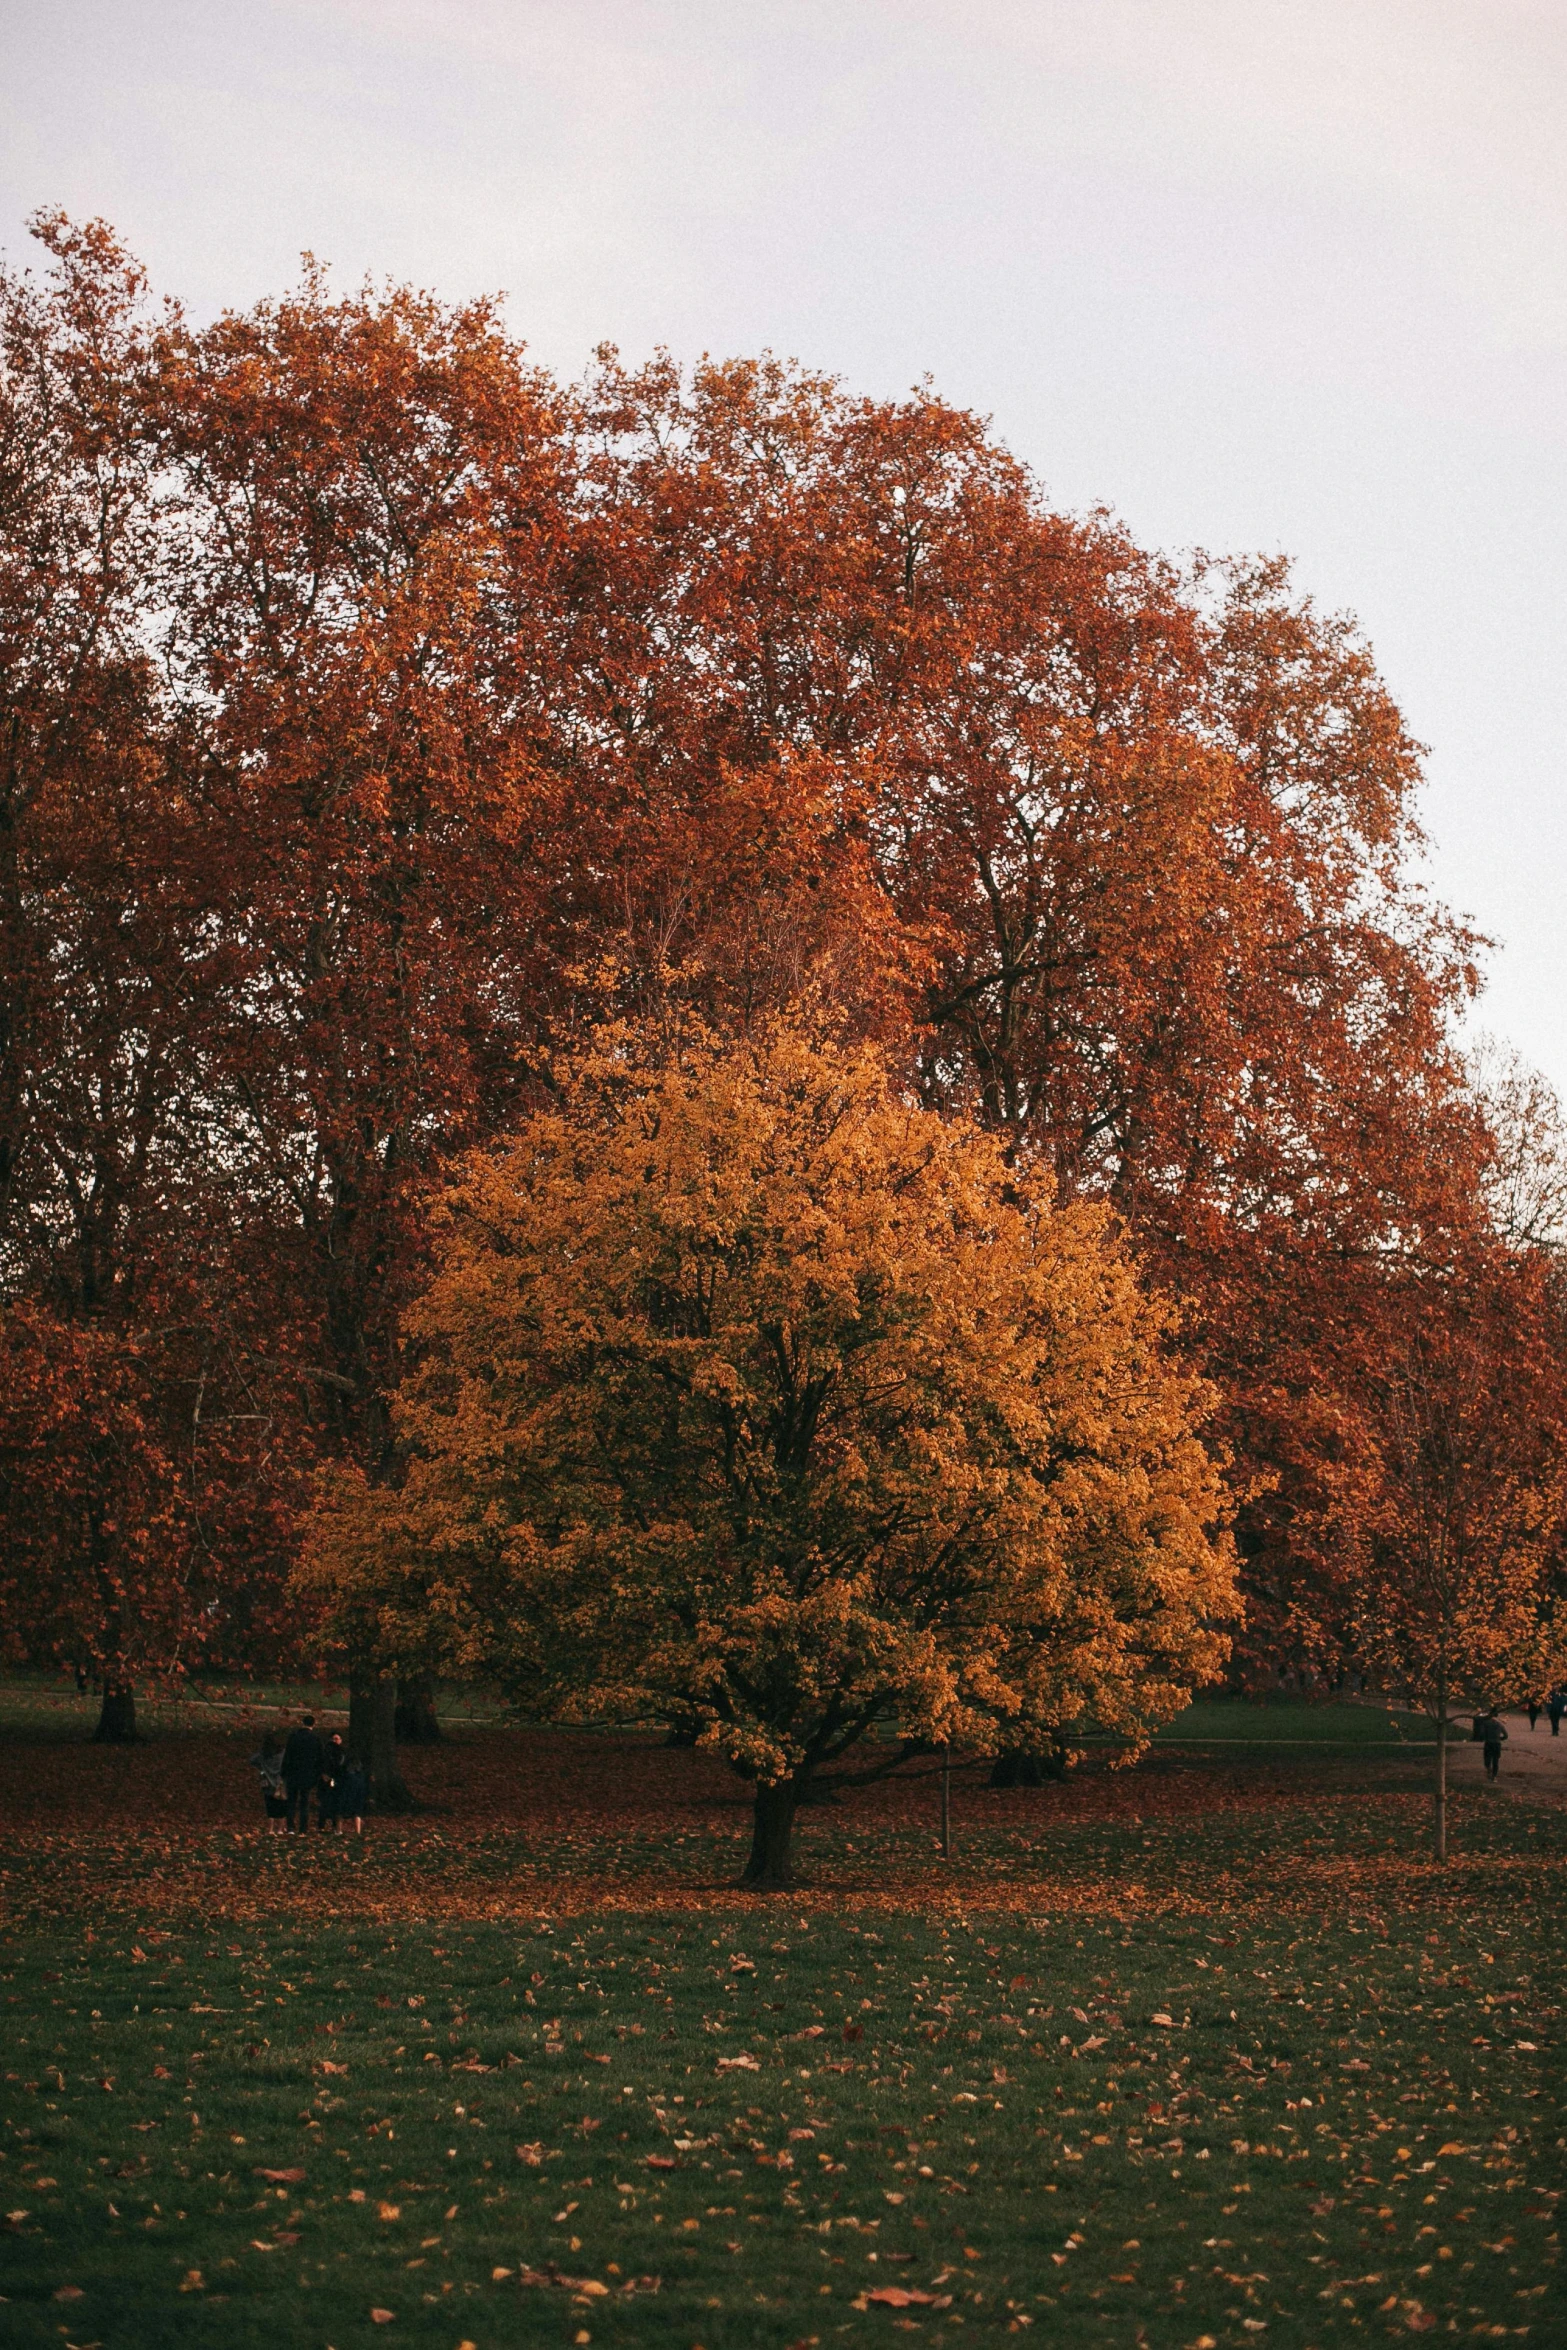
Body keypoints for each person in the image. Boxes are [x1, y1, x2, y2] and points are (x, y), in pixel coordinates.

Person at [281, 1712, 324, 1834]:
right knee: (304, 1801)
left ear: (302, 1723)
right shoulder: (315, 1739)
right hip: (308, 1774)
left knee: (291, 1801)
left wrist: (284, 1773)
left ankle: (290, 1827)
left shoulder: (293, 1737)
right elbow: (320, 1758)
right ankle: (303, 1828)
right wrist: (317, 1774)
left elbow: (287, 1755)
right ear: (313, 1724)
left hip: (293, 1773)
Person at [249, 1730, 287, 1836]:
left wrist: (261, 1768)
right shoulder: (282, 1753)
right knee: (282, 1806)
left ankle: (270, 1829)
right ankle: (280, 1829)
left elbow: (252, 1760)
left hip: (267, 1782)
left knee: (270, 1806)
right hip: (280, 1782)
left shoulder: (263, 1754)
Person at [317, 1731, 345, 1832]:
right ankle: (322, 1825)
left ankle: (335, 1826)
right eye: (333, 1739)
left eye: (337, 1739)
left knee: (335, 1804)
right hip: (326, 1781)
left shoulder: (342, 1752)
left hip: (336, 1780)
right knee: (324, 1803)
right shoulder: (326, 1752)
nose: (335, 1741)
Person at [339, 1755, 369, 1835]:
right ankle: (357, 1832)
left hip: (346, 1797)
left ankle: (339, 1830)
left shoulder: (346, 1776)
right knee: (357, 1814)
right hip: (358, 1798)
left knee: (340, 1814)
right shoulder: (361, 1776)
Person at [1476, 1708, 1508, 1782]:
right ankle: (1494, 1776)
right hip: (1497, 1744)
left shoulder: (1486, 1723)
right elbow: (1506, 1735)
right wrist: (1500, 1738)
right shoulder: (1500, 1724)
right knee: (1495, 1761)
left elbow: (1481, 1733)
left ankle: (1489, 1769)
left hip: (1488, 1743)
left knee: (1487, 1759)